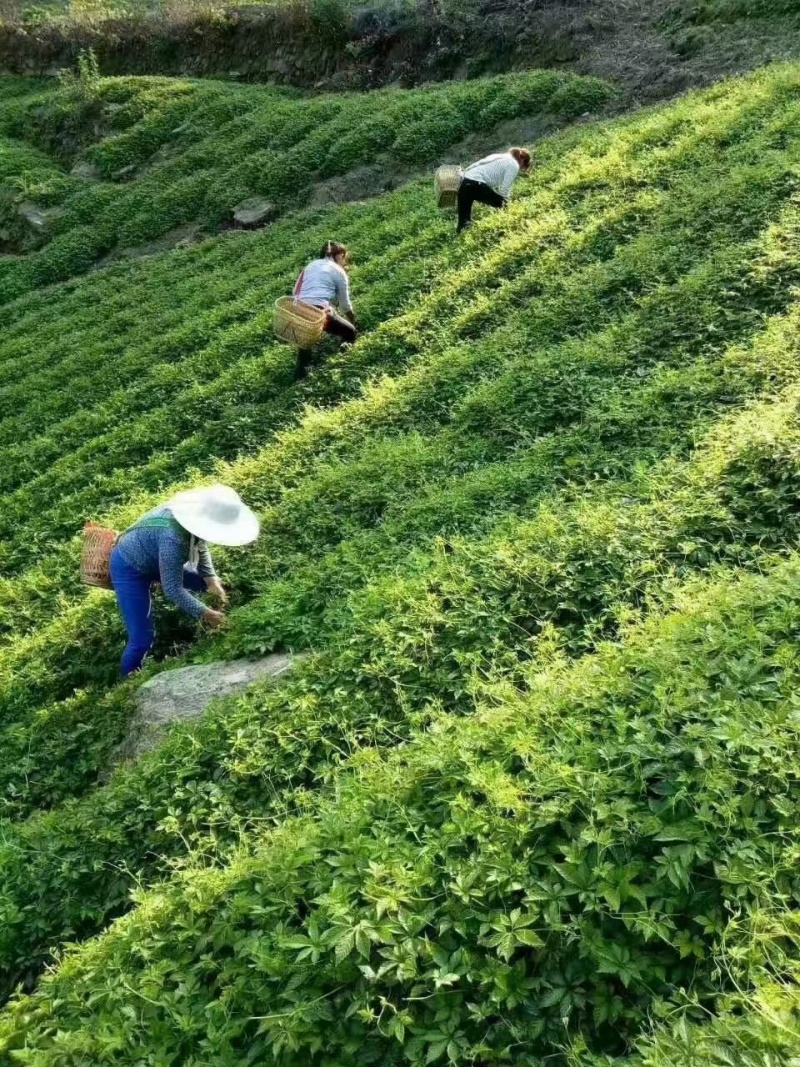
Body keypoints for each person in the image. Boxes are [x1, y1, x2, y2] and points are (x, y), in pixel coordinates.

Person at [109, 484, 260, 677]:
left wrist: (212, 581)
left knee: (209, 586)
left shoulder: (193, 520)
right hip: (129, 566)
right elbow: (173, 589)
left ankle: (221, 614)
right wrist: (206, 613)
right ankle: (126, 684)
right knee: (141, 639)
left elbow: (199, 543)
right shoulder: (173, 538)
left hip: (156, 556)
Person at [292, 240, 357, 380]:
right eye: (343, 256)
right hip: (318, 311)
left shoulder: (310, 266)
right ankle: (342, 362)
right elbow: (345, 305)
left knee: (305, 344)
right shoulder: (338, 271)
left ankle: (300, 378)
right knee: (350, 332)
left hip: (297, 310)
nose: (344, 259)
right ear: (338, 255)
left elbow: (296, 290)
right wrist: (353, 321)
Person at [456, 147, 532, 234]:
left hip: (463, 181)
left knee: (463, 221)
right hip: (476, 183)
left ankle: (462, 234)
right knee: (503, 204)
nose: (521, 168)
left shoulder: (500, 156)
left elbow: (479, 163)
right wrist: (504, 202)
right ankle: (516, 226)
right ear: (523, 160)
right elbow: (505, 188)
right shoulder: (514, 164)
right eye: (524, 165)